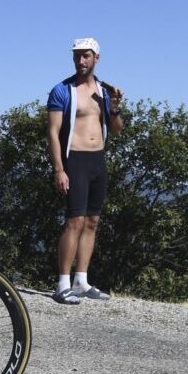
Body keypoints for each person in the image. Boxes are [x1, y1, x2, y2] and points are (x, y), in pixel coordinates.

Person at [47, 38, 124, 304]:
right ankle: (62, 284)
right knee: (74, 221)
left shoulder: (103, 91)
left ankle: (81, 280)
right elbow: (53, 133)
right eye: (77, 56)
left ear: (96, 58)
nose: (81, 61)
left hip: (98, 160)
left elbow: (115, 129)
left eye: (86, 56)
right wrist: (59, 169)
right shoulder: (62, 90)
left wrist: (113, 106)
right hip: (75, 160)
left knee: (92, 221)